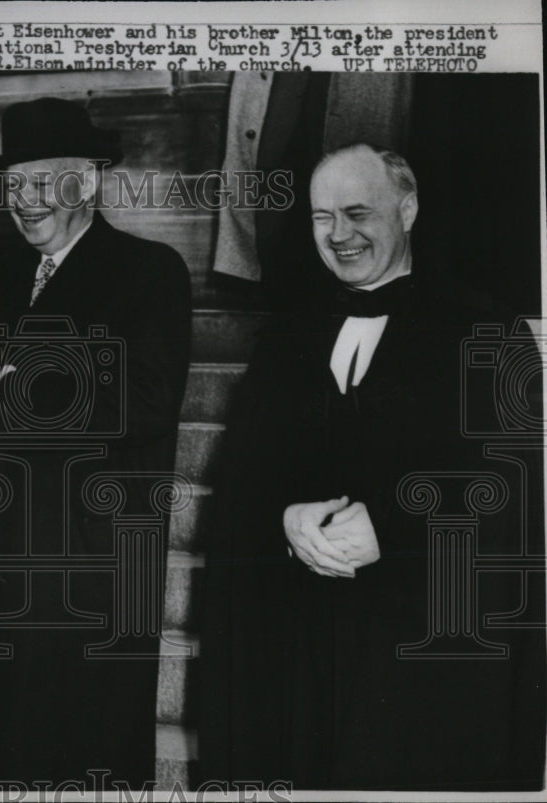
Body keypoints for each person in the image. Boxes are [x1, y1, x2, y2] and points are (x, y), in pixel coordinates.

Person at [198, 142, 546, 790]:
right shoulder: (287, 336)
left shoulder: (487, 331)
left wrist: (396, 524)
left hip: (415, 650)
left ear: (407, 209)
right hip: (303, 649)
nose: (338, 235)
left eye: (357, 212)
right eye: (320, 217)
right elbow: (244, 473)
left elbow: (511, 490)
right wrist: (284, 513)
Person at [0, 97, 192, 787]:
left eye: (45, 181)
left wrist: (16, 397)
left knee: (78, 758)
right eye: (15, 184)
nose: (26, 200)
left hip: (89, 574)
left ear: (89, 182)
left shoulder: (148, 271)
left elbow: (148, 399)